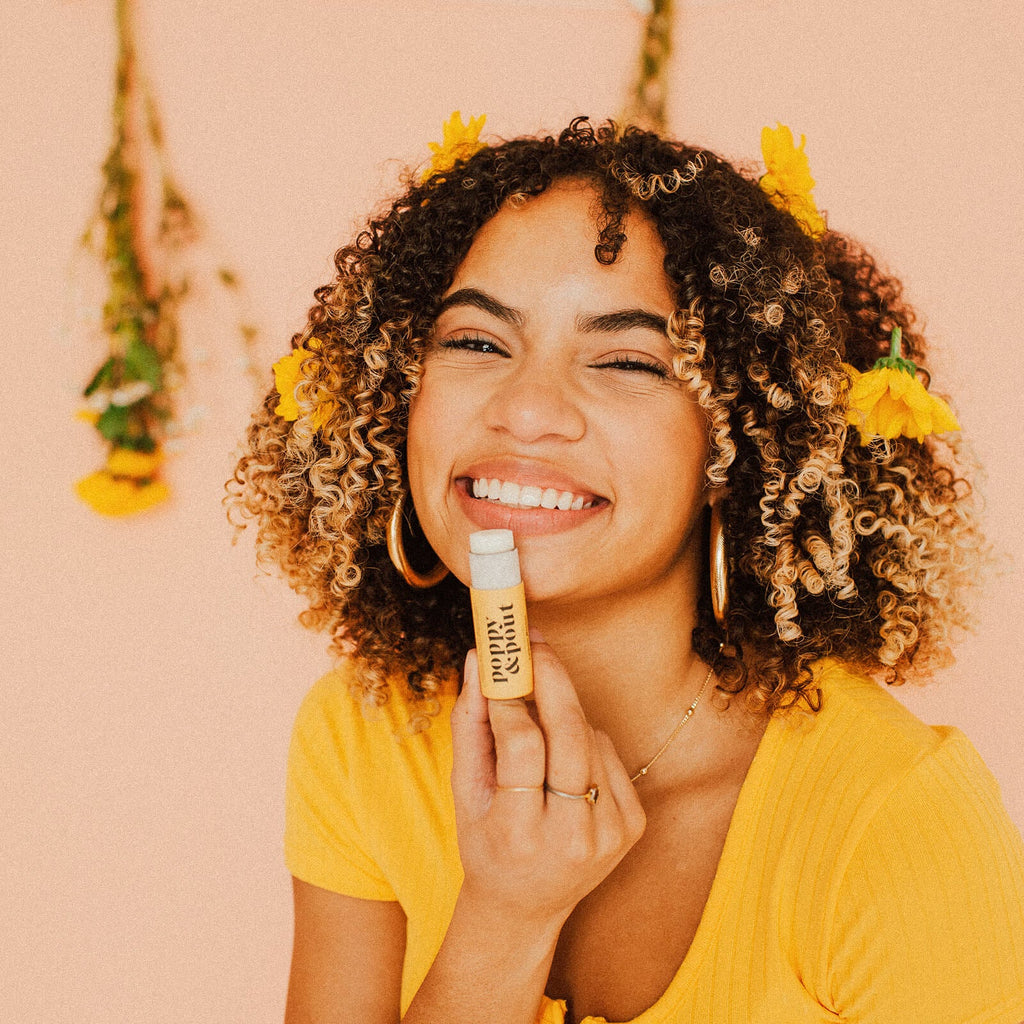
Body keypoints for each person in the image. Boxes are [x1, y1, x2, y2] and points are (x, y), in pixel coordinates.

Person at [228, 116, 1024, 1024]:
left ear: (743, 449)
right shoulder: (362, 738)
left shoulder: (893, 822)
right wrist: (506, 918)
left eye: (626, 360)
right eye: (477, 343)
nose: (526, 412)